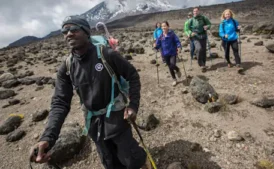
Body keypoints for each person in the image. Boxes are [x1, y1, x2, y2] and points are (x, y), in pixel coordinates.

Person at [29, 16, 151, 169]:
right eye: (64, 31)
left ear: (86, 32)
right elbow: (60, 102)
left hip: (117, 116)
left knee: (130, 158)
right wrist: (48, 138)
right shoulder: (67, 67)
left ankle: (142, 163)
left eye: (74, 29)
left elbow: (132, 76)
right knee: (109, 161)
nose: (68, 34)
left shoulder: (106, 55)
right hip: (93, 123)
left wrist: (133, 106)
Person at [154, 21, 182, 86]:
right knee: (170, 67)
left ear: (168, 26)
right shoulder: (161, 36)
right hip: (165, 54)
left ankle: (177, 69)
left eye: (165, 26)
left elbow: (177, 41)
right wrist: (155, 48)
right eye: (162, 26)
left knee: (172, 64)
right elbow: (158, 44)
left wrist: (179, 47)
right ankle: (174, 79)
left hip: (173, 52)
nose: (163, 27)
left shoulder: (172, 34)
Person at [187, 7, 211, 72]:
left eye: (196, 11)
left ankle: (204, 64)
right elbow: (187, 29)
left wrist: (207, 27)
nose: (195, 12)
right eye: (194, 11)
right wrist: (190, 33)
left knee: (203, 50)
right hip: (195, 36)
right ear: (193, 12)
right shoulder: (191, 20)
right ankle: (201, 64)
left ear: (199, 11)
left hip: (203, 36)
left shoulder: (204, 18)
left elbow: (209, 24)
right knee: (198, 48)